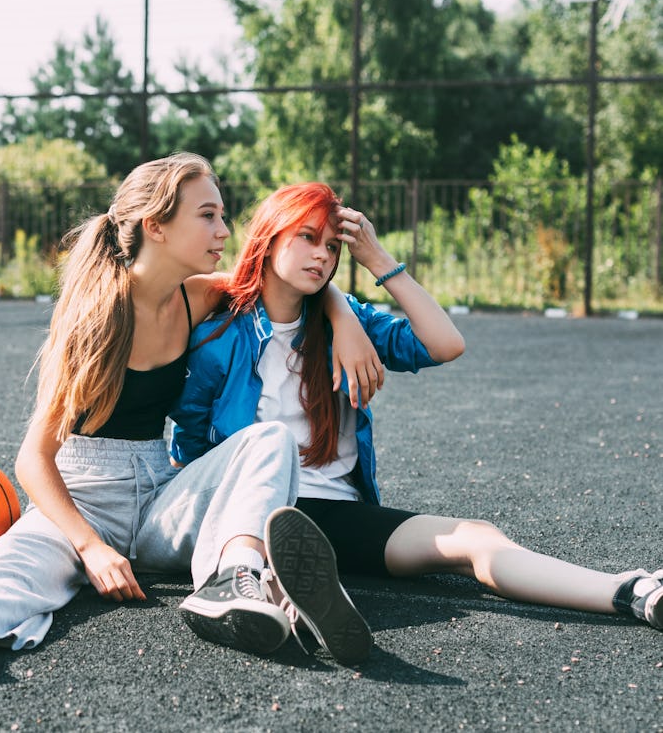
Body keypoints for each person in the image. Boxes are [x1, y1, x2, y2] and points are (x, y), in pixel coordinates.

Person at [0, 154, 385, 675]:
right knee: (19, 559)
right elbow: (33, 459)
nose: (224, 231)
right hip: (86, 497)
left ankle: (235, 579)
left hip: (160, 495)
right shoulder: (94, 317)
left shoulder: (196, 297)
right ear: (156, 226)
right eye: (208, 215)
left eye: (222, 216)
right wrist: (90, 546)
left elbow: (284, 281)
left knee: (270, 440)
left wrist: (345, 319)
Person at [168, 181, 663, 664]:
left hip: (337, 517)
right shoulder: (219, 340)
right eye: (307, 237)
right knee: (277, 518)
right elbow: (192, 450)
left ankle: (629, 590)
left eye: (333, 247)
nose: (322, 255)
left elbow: (444, 344)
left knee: (475, 539)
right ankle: (269, 581)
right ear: (271, 235)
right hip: (259, 513)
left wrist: (378, 261)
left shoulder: (346, 323)